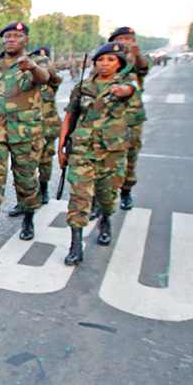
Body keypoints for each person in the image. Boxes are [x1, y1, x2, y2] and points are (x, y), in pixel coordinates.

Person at [0, 22, 58, 253]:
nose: (11, 39)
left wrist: (32, 67)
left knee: (26, 179)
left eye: (17, 36)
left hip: (26, 133)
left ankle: (28, 217)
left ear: (26, 40)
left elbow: (46, 78)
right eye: (7, 35)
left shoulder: (39, 62)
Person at [57, 41, 137, 265]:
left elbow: (131, 89)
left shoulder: (126, 83)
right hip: (82, 149)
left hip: (111, 151)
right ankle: (75, 245)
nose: (105, 64)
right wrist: (61, 148)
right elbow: (70, 117)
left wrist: (121, 90)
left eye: (111, 60)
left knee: (105, 195)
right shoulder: (83, 87)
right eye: (101, 60)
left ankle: (105, 220)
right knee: (79, 197)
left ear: (119, 63)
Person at [8, 46, 62, 213]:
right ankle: (23, 201)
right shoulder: (26, 82)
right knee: (24, 167)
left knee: (45, 161)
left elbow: (54, 78)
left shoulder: (51, 80)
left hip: (48, 126)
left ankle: (44, 187)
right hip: (27, 129)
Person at [106, 26, 150, 210]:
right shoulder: (105, 60)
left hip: (130, 118)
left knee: (130, 157)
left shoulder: (136, 59)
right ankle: (103, 196)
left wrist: (137, 55)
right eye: (121, 39)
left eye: (128, 39)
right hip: (106, 118)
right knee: (105, 159)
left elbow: (143, 66)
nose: (125, 42)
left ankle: (126, 191)